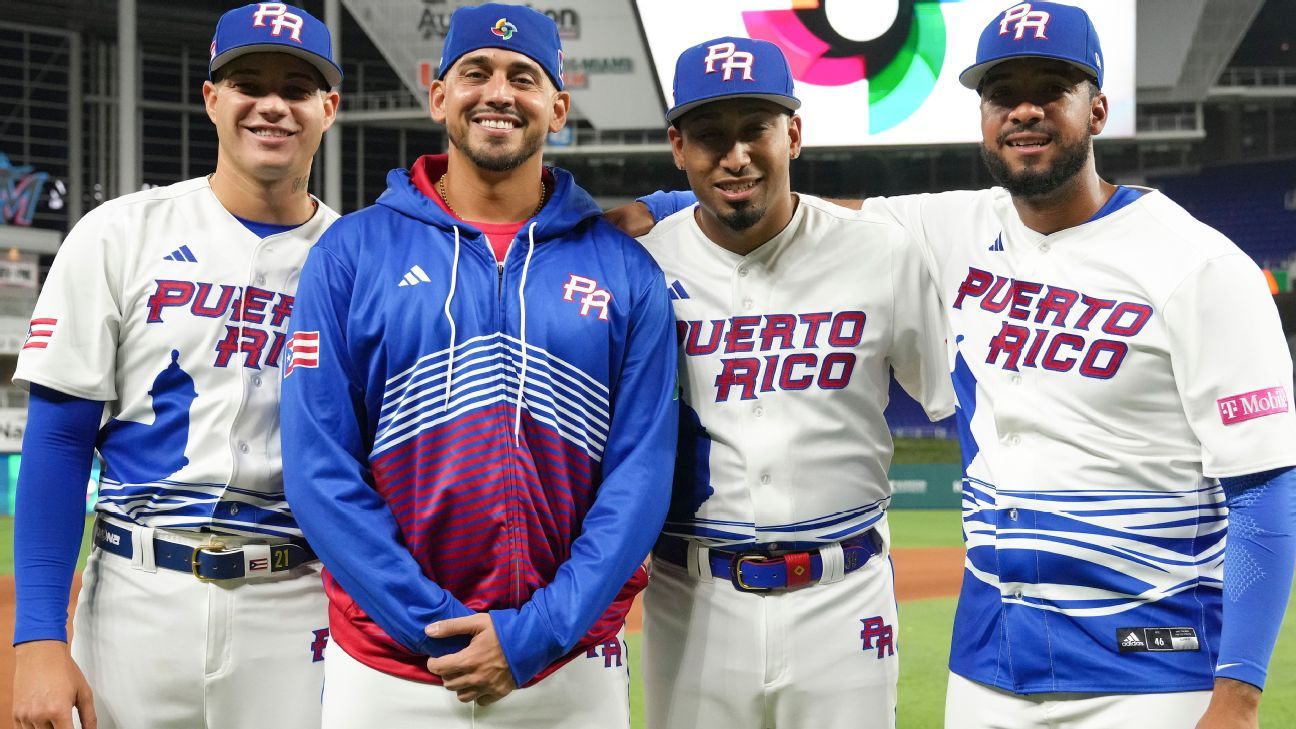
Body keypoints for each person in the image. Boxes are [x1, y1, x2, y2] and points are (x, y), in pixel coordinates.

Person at [623, 3, 1296, 728]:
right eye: (1004, 94)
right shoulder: (953, 228)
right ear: (983, 116)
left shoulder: (1197, 264)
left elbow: (1264, 485)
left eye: (1052, 89)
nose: (1025, 111)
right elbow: (799, 209)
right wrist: (661, 204)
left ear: (1097, 108)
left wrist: (1240, 694)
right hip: (991, 666)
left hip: (1152, 661)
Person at [277, 4, 677, 728]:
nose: (498, 92)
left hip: (568, 667)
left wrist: (536, 632)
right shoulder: (350, 253)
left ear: (558, 106)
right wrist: (433, 626)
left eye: (524, 77)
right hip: (389, 670)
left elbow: (640, 475)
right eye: (476, 73)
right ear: (438, 94)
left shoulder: (625, 270)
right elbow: (317, 469)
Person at [9, 4, 342, 729]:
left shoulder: (357, 258)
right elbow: (60, 441)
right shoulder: (121, 232)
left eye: (297, 86)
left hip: (297, 602)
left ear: (329, 108)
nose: (273, 104)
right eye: (248, 82)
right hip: (135, 597)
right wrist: (38, 632)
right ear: (212, 98)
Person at [635, 36, 954, 729]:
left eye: (756, 130)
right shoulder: (639, 266)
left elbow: (951, 396)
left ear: (795, 134)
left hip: (843, 598)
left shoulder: (879, 251)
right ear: (677, 146)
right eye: (710, 135)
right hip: (691, 593)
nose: (736, 154)